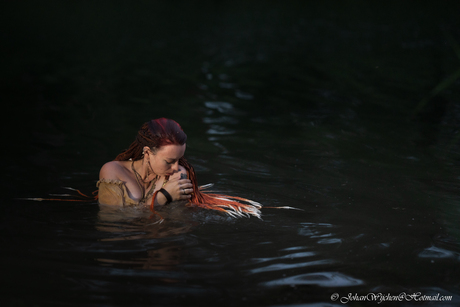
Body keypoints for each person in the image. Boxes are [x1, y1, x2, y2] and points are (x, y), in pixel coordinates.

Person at [97, 118, 262, 218]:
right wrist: (162, 197)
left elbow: (176, 224)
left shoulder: (179, 175)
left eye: (179, 159)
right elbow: (112, 218)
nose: (176, 167)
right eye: (169, 161)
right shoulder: (113, 171)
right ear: (147, 152)